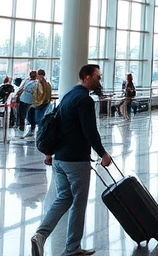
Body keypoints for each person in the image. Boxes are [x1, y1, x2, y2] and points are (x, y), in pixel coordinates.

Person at [30, 64, 112, 256]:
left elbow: (54, 124)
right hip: (76, 160)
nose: (99, 80)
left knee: (64, 198)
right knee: (78, 203)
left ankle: (41, 234)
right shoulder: (85, 100)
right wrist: (103, 154)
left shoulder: (68, 95)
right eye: (97, 76)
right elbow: (90, 131)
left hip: (60, 159)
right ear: (86, 77)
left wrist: (49, 152)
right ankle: (73, 247)